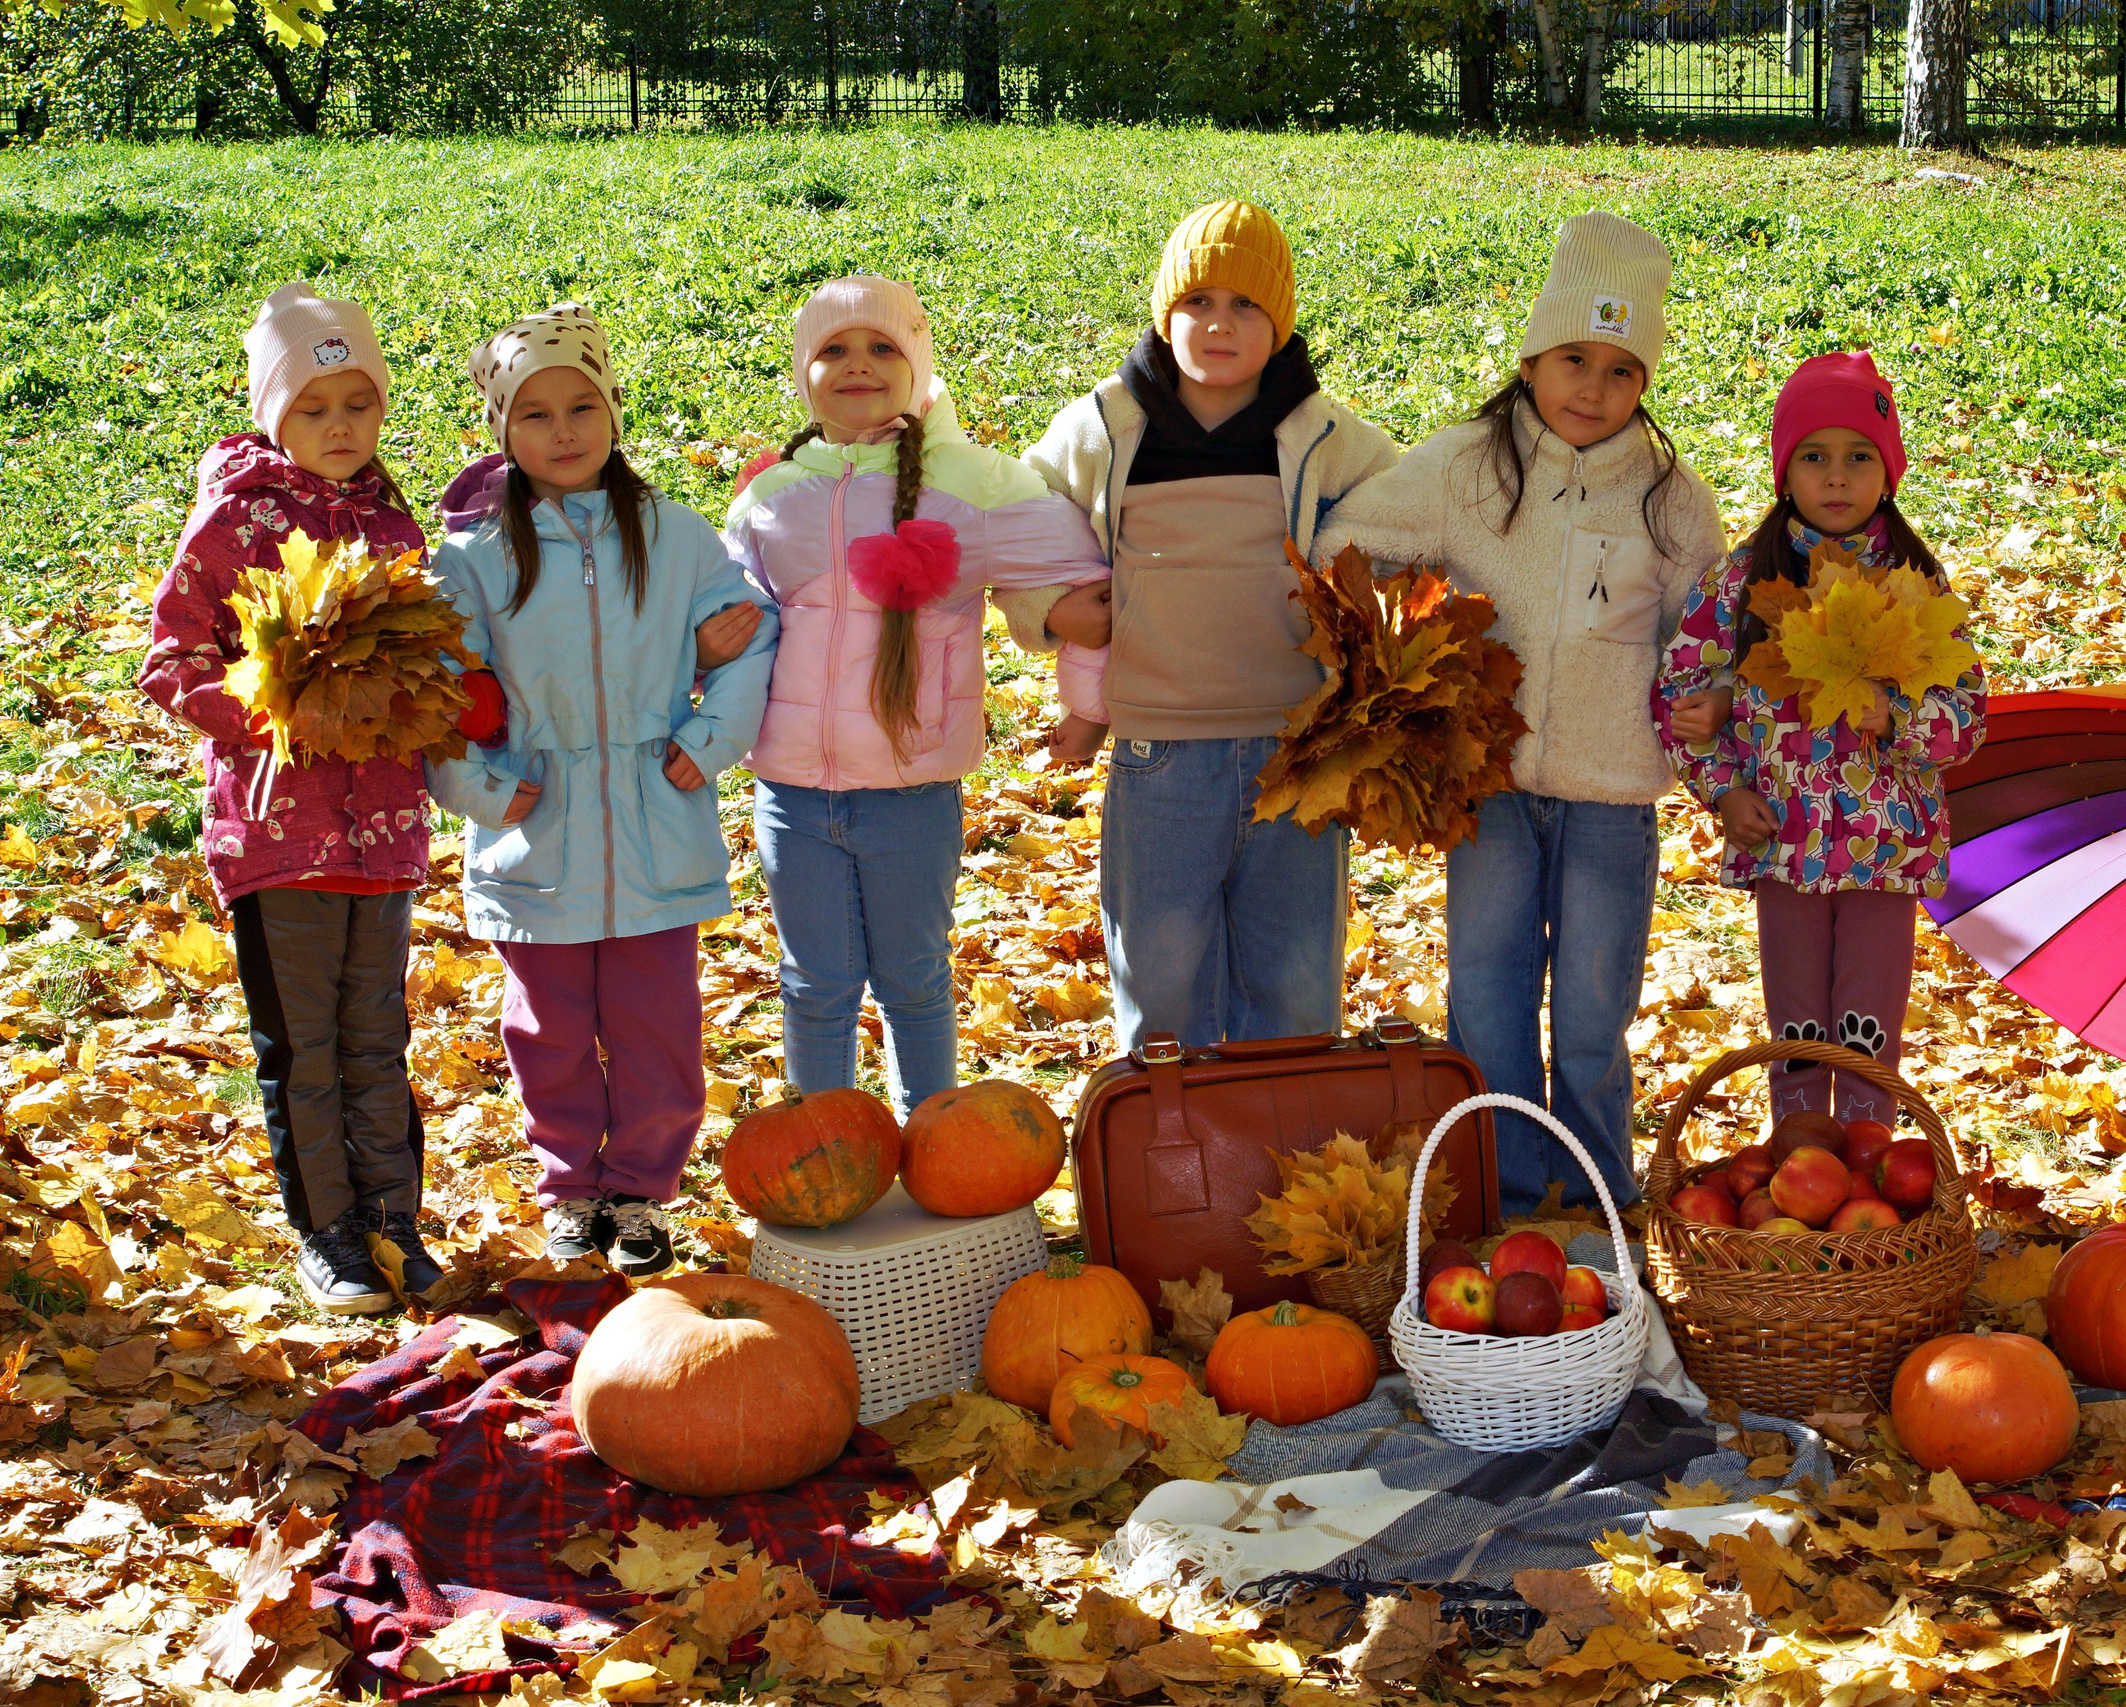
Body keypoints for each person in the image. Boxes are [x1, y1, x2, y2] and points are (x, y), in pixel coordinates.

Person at [1318, 213, 1725, 1214]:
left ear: (1648, 380)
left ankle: (1592, 1194)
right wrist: (1409, 650)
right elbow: (1348, 545)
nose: (1593, 389)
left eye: (1622, 370)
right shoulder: (1467, 467)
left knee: (1593, 1005)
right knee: (1487, 995)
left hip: (1612, 794)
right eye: (1573, 360)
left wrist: (1706, 693)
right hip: (1488, 787)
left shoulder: (1672, 502)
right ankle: (1499, 1192)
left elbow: (1706, 630)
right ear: (1532, 355)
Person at [427, 303, 776, 1275]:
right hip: (538, 832)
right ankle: (570, 1190)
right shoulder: (470, 559)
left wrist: (706, 743)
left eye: (582, 406)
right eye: (535, 416)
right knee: (550, 1034)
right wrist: (483, 792)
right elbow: (433, 690)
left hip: (655, 823)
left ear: (614, 408)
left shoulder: (673, 536)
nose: (564, 431)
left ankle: (641, 1190)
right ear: (500, 431)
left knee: (658, 1028)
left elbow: (750, 632)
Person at [720, 275, 1110, 1114]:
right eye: (833, 350)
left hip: (910, 790)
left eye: (882, 347)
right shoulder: (769, 496)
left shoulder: (973, 484)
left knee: (915, 980)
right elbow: (724, 622)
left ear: (918, 361)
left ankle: (935, 1141)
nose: (857, 365)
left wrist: (1088, 706)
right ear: (803, 371)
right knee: (814, 982)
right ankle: (827, 1150)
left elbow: (1085, 580)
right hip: (791, 792)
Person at [1023, 199, 1400, 1051]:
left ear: (1282, 322)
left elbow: (1413, 516)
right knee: (1159, 986)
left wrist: (1366, 608)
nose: (1219, 325)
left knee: (1296, 987)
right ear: (1165, 311)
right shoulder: (1110, 423)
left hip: (1296, 746)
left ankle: (1288, 1166)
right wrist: (1044, 610)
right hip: (1161, 753)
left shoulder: (1322, 432)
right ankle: (1169, 1169)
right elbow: (1020, 514)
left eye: (1246, 306)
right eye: (1197, 302)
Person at [142, 282, 447, 1314]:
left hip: (386, 829)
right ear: (277, 412)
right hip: (277, 834)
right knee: (303, 1044)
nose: (339, 426)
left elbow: (420, 663)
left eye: (359, 403)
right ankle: (328, 1233)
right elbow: (172, 661)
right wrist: (271, 710)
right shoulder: (235, 517)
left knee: (376, 1032)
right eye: (314, 408)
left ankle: (393, 1217)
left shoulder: (392, 515)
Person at [1655, 351, 1986, 1126]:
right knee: (1798, 1025)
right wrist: (1724, 788)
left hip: (1883, 848)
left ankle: (1869, 1163)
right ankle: (1799, 1157)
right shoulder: (1741, 584)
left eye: (1858, 457)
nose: (1836, 477)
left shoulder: (1915, 586)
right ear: (1785, 472)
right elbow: (1678, 693)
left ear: (1888, 470)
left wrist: (1896, 719)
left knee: (1869, 1028)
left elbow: (1968, 718)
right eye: (1814, 456)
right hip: (1782, 840)